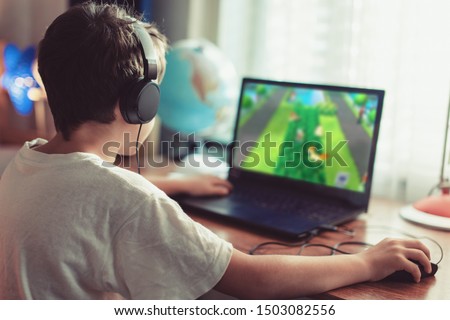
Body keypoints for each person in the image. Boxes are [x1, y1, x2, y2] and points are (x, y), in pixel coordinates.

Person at [0, 2, 432, 300]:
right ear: (138, 103)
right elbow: (252, 279)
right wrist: (368, 262)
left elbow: (86, 195)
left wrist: (170, 181)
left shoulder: (26, 161)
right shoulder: (125, 201)